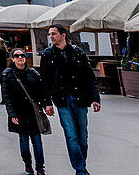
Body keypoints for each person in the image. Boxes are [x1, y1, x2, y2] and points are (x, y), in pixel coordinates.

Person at [40, 24, 100, 175]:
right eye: (50, 34)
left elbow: (89, 77)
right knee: (71, 135)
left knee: (83, 137)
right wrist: (47, 103)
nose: (51, 37)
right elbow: (45, 81)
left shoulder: (77, 52)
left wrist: (95, 98)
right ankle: (80, 170)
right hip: (62, 100)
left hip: (80, 98)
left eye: (54, 34)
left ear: (63, 35)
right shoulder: (47, 55)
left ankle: (82, 165)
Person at [2, 49, 50, 175]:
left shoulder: (33, 73)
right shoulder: (8, 75)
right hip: (19, 112)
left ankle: (40, 167)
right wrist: (11, 114)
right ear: (12, 59)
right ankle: (28, 165)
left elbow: (41, 91)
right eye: (17, 56)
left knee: (37, 140)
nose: (20, 58)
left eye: (22, 55)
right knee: (23, 140)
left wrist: (46, 105)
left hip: (33, 112)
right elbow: (7, 97)